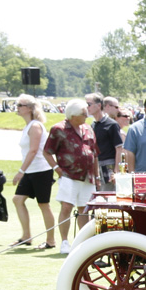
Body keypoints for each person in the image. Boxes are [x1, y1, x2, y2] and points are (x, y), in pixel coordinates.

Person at [42, 99, 99, 254]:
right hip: (69, 175)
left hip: (87, 176)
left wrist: (97, 176)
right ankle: (65, 242)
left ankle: (85, 243)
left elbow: (94, 154)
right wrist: (57, 169)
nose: (86, 116)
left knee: (84, 209)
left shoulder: (88, 128)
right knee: (67, 207)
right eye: (83, 114)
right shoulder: (58, 129)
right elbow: (47, 151)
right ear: (73, 115)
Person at [11, 94, 57, 249]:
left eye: (20, 105)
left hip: (41, 170)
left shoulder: (35, 126)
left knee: (43, 204)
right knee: (18, 199)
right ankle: (26, 236)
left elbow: (33, 151)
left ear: (29, 108)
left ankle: (50, 240)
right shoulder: (28, 126)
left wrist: (20, 171)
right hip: (31, 171)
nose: (17, 108)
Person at [86, 93, 123, 191]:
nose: (87, 107)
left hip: (109, 167)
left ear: (99, 105)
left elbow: (119, 148)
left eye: (89, 104)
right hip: (97, 167)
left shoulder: (112, 124)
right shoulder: (93, 125)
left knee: (108, 196)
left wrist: (116, 171)